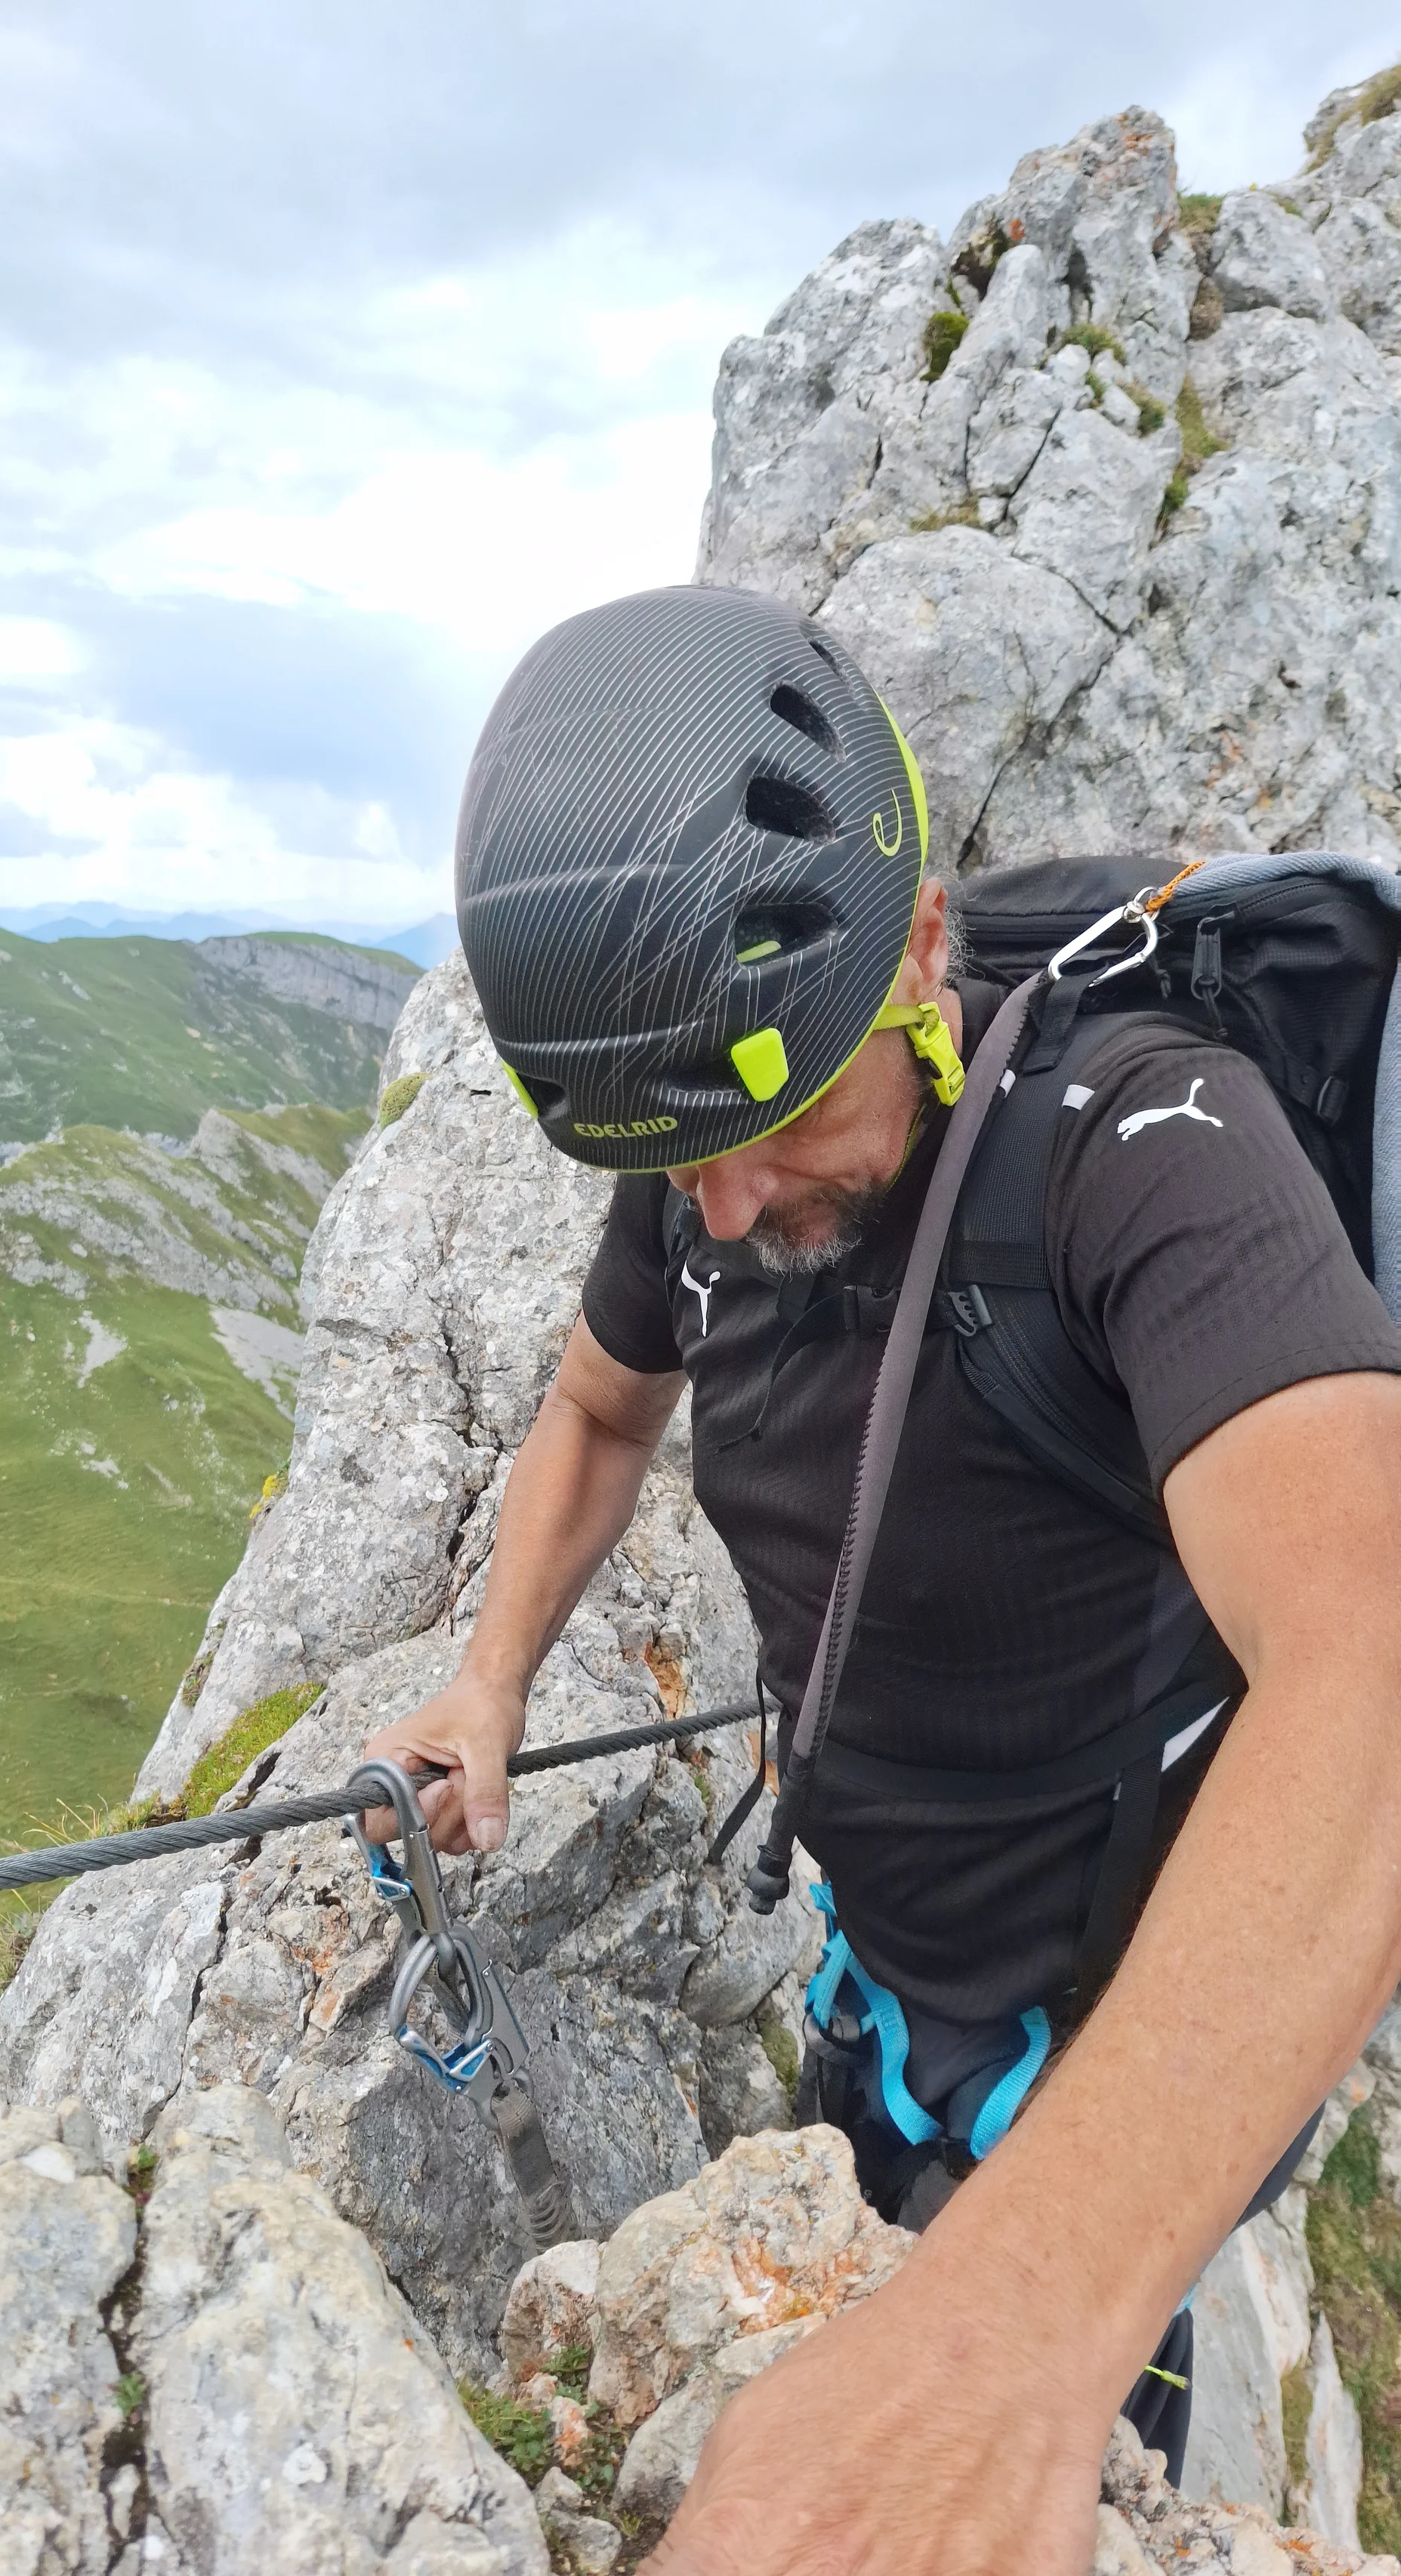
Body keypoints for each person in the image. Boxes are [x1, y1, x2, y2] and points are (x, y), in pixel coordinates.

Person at [363, 584, 1401, 2576]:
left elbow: (1369, 1656)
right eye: (688, 1168)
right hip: (870, 1994)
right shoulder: (707, 1137)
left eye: (772, 1135)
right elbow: (594, 1419)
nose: (728, 1214)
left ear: (913, 951)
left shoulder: (1149, 1140)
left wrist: (1029, 2327)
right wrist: (490, 1678)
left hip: (1085, 2076)